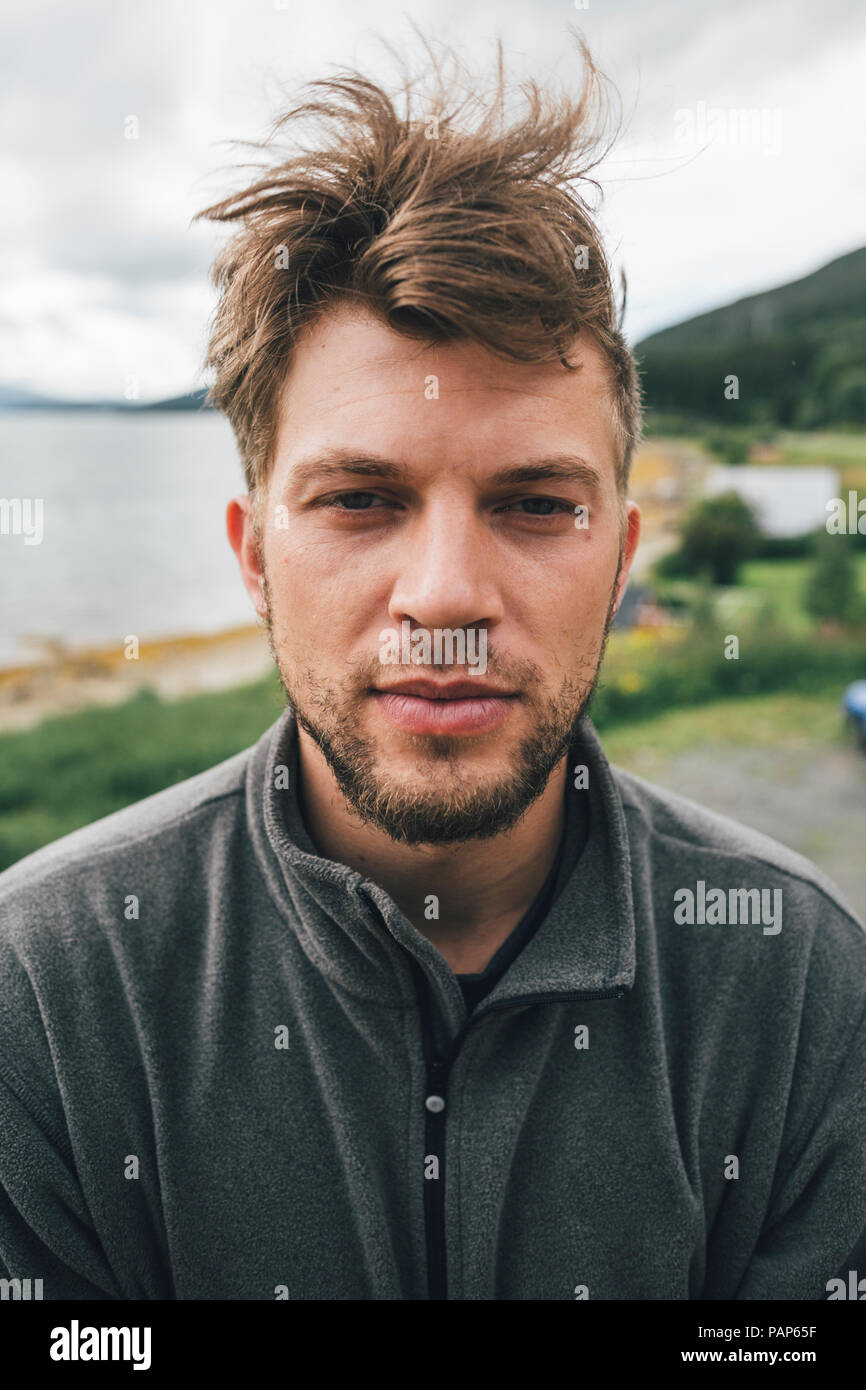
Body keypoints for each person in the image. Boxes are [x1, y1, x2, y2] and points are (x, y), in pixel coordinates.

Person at [0, 37, 863, 1302]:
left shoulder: (798, 987)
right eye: (359, 498)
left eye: (530, 503)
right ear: (253, 559)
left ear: (622, 556)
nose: (447, 595)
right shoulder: (45, 995)